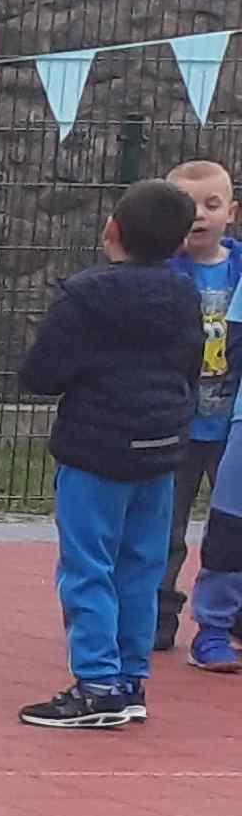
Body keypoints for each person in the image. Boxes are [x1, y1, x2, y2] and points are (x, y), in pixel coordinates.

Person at [16, 176, 203, 732]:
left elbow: (42, 374)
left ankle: (97, 684)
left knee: (88, 565)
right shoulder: (185, 295)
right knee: (142, 567)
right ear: (179, 244)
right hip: (162, 446)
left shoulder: (85, 297)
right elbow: (191, 364)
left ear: (111, 230)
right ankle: (129, 679)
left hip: (96, 449)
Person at [168, 161, 242, 674]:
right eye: (186, 206)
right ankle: (157, 617)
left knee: (232, 526)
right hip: (175, 424)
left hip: (227, 420)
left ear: (230, 213)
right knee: (165, 529)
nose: (198, 216)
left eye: (211, 205)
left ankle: (226, 620)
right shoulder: (159, 273)